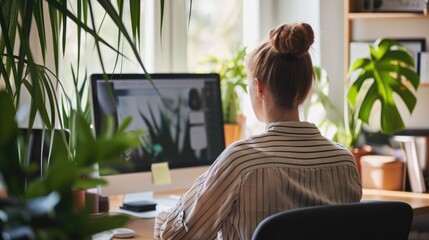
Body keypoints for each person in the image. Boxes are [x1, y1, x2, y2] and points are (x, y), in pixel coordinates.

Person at [154, 22, 362, 240]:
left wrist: (209, 180)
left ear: (259, 88)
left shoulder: (240, 162)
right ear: (308, 87)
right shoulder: (344, 162)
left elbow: (174, 236)